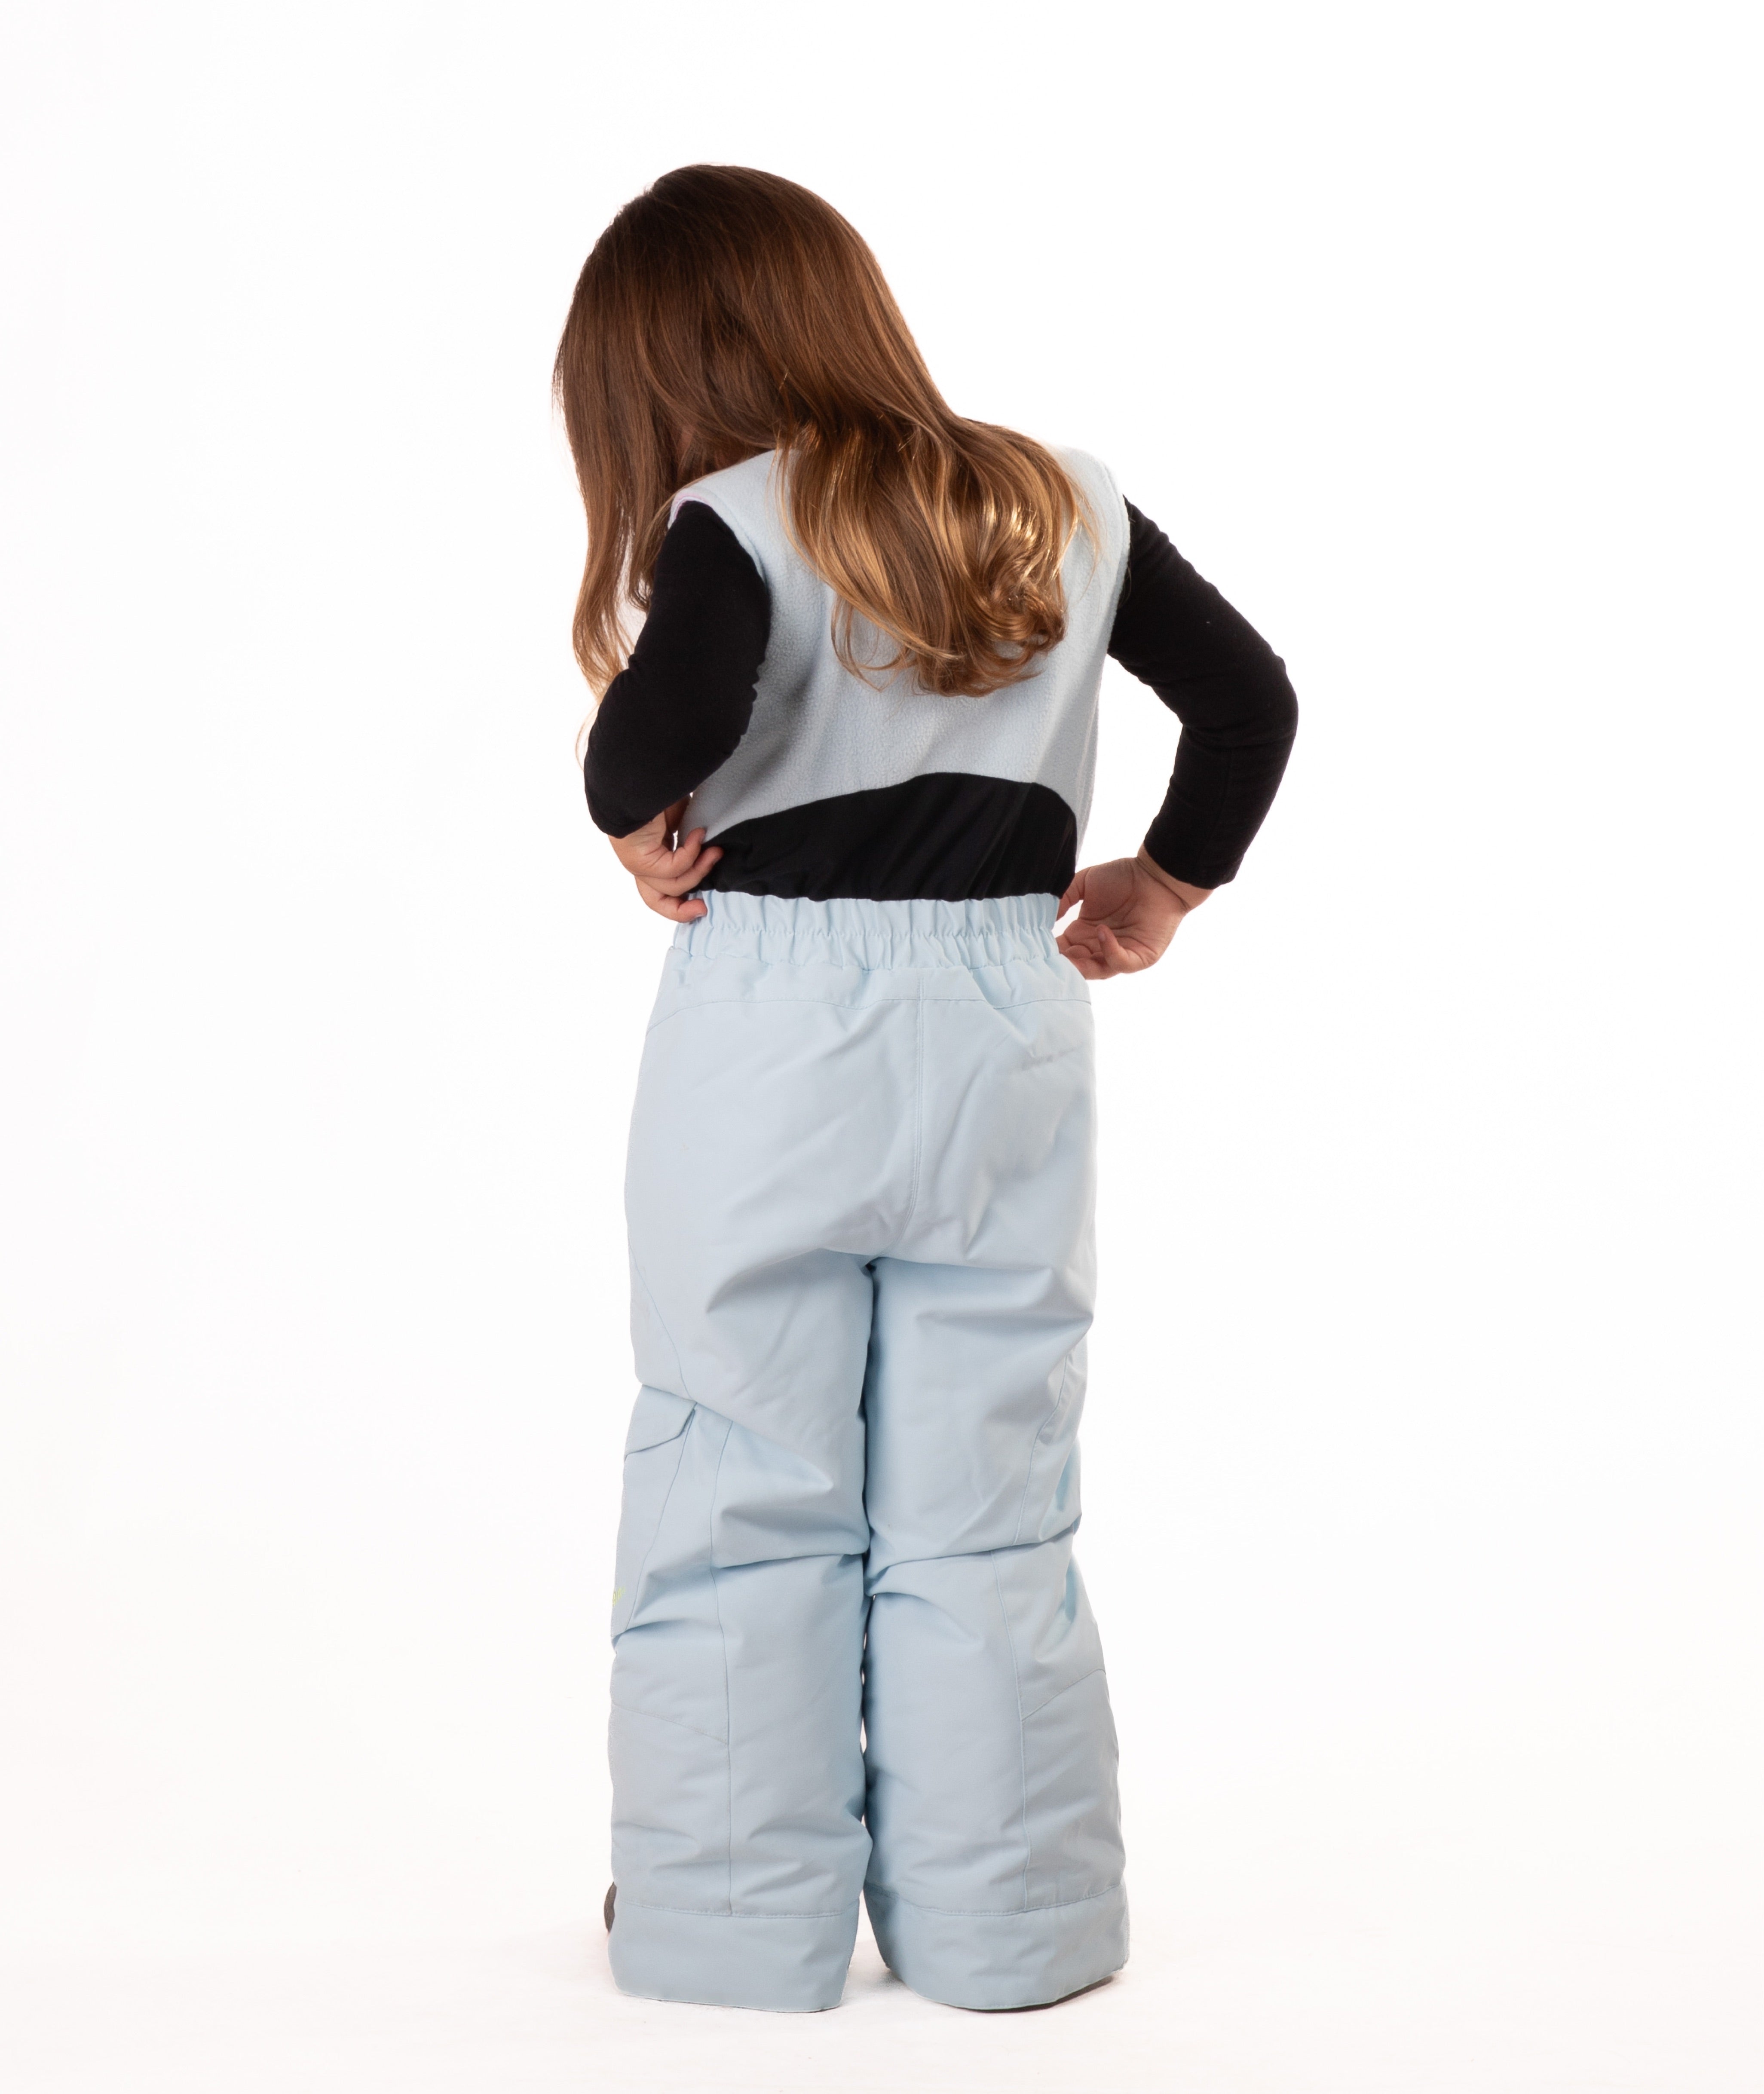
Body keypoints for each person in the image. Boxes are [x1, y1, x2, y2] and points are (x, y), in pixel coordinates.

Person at [552, 164, 1297, 2015]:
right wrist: (1169, 880)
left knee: (743, 1468)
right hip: (1003, 1021)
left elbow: (640, 751)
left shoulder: (729, 522)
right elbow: (1252, 701)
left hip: (774, 1036)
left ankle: (729, 1922)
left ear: (652, 383)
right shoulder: (1063, 500)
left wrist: (642, 829)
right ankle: (1016, 1926)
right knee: (989, 1488)